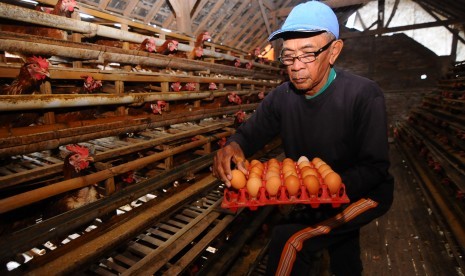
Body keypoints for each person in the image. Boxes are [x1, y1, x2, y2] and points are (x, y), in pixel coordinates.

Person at [212, 1, 394, 275]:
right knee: (342, 247)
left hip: (366, 194)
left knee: (290, 240)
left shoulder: (363, 95)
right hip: (319, 195)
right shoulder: (281, 98)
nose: (296, 67)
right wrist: (233, 146)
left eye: (308, 54)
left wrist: (322, 188)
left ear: (334, 51)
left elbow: (375, 169)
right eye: (288, 56)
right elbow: (249, 134)